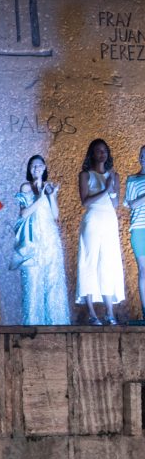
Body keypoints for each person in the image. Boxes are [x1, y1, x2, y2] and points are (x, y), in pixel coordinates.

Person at [13, 155, 69, 325]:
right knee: (33, 282)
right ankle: (33, 324)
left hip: (50, 239)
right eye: (32, 165)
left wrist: (52, 195)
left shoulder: (49, 187)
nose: (36, 168)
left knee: (53, 280)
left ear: (44, 167)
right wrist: (42, 197)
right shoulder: (25, 187)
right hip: (32, 240)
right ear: (29, 169)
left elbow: (55, 215)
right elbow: (23, 213)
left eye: (39, 165)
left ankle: (56, 323)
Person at [77, 139, 124, 325]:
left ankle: (109, 312)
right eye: (98, 151)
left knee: (108, 264)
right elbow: (85, 202)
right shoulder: (85, 175)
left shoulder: (115, 175)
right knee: (89, 262)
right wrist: (105, 189)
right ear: (92, 154)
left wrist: (112, 189)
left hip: (109, 221)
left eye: (104, 150)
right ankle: (92, 313)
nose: (102, 154)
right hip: (93, 221)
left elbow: (115, 203)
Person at [124, 145, 145, 319]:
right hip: (139, 227)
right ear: (139, 158)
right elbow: (131, 204)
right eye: (143, 155)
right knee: (143, 270)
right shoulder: (133, 179)